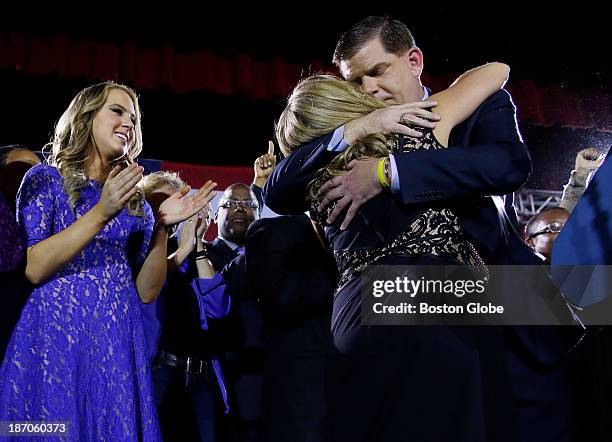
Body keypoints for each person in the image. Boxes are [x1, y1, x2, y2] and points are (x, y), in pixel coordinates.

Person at [275, 56, 517, 439]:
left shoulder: (311, 186)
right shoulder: (415, 134)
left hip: (355, 313)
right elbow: (496, 70)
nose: (369, 89)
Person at [0, 82, 216, 440]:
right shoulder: (46, 180)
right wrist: (102, 212)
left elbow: (146, 292)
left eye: (133, 117)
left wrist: (162, 227)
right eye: (116, 111)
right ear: (86, 117)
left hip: (116, 341)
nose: (128, 123)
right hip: (57, 339)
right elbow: (35, 268)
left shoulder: (135, 205)